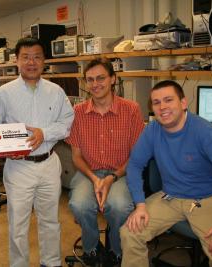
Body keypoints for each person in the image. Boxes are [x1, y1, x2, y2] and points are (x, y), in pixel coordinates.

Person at [120, 80, 212, 267]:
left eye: (169, 100)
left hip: (208, 198)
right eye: (157, 102)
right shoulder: (152, 130)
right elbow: (135, 165)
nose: (163, 107)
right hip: (170, 196)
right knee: (130, 233)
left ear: (183, 103)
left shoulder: (204, 131)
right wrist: (140, 204)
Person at [0, 37, 74, 267]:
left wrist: (43, 133)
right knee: (18, 224)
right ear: (17, 61)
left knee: (50, 221)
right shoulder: (5, 92)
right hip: (19, 167)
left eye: (37, 57)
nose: (31, 62)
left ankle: (51, 262)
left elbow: (67, 123)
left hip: (48, 164)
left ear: (44, 61)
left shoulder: (56, 92)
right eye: (25, 57)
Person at [65, 58, 145, 266]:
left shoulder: (131, 110)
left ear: (113, 79)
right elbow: (76, 156)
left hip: (121, 173)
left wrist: (111, 178)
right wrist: (94, 178)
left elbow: (136, 156)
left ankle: (117, 251)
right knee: (80, 205)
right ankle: (91, 249)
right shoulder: (78, 113)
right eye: (90, 80)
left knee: (119, 206)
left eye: (101, 78)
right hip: (88, 172)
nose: (95, 84)